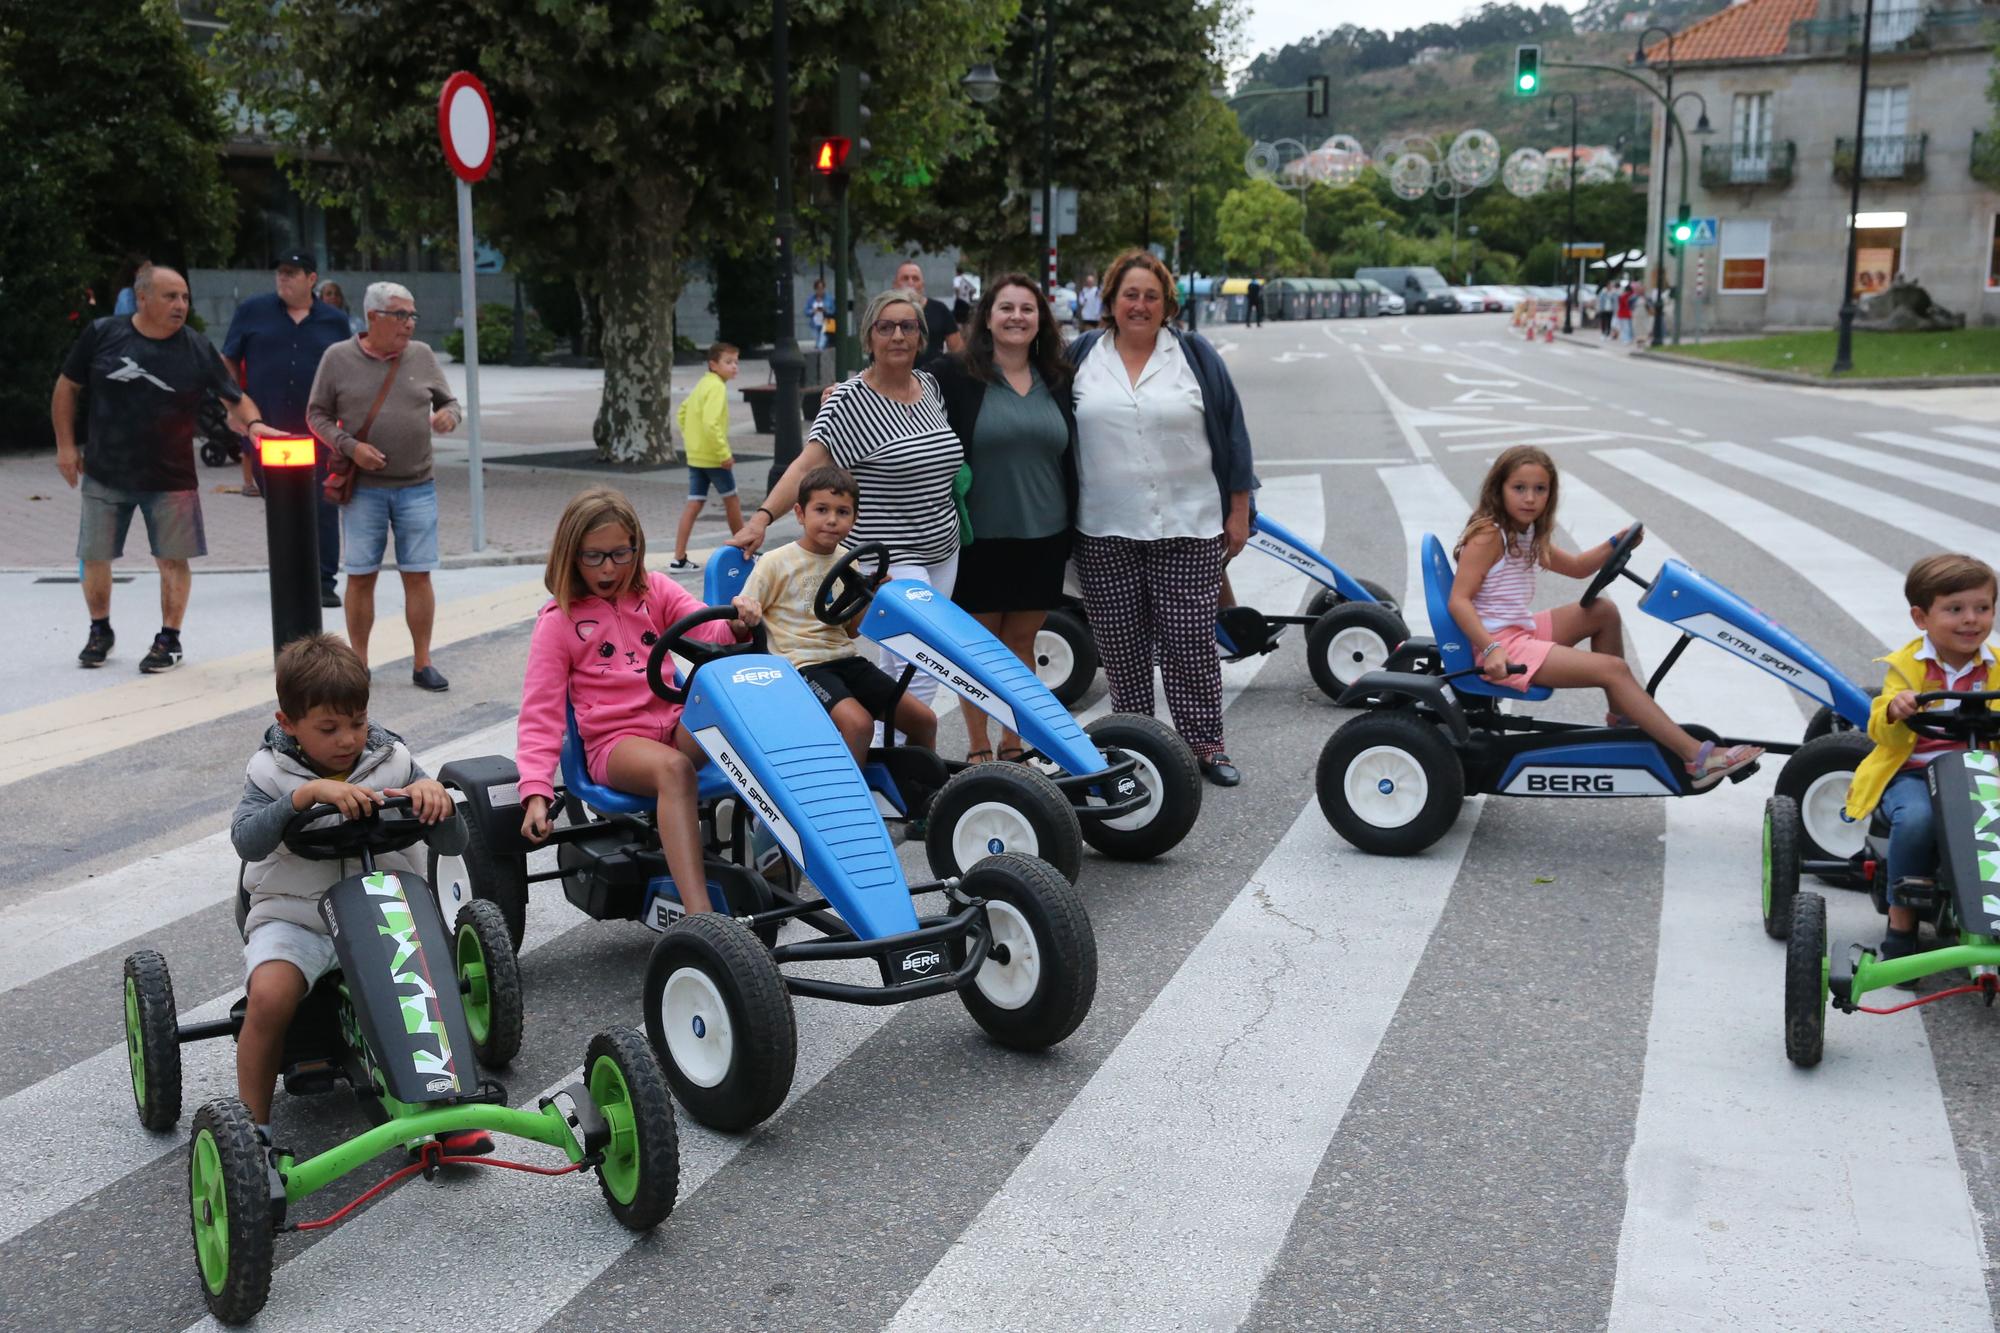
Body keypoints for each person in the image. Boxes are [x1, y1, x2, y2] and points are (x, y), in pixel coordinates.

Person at [230, 632, 459, 1146]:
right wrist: (304, 797)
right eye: (329, 728)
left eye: (356, 723)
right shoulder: (271, 773)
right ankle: (252, 1134)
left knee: (423, 987)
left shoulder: (391, 760)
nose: (348, 740)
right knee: (268, 997)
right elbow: (245, 840)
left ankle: (444, 1109)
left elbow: (455, 838)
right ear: (286, 723)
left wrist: (433, 796)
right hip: (296, 917)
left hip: (381, 911)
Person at [1448, 444, 1762, 786]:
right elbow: (1459, 601)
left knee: (1603, 611)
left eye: (1540, 489)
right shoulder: (1489, 536)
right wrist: (1492, 649)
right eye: (1519, 488)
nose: (1530, 498)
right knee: (1614, 670)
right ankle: (1697, 759)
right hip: (1500, 645)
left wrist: (1616, 542)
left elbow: (1580, 568)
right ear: (1499, 489)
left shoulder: (1524, 532)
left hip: (1519, 631)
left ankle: (1624, 716)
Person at [513, 487, 761, 916]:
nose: (609, 568)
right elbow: (540, 714)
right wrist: (535, 791)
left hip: (673, 726)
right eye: (594, 556)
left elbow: (712, 636)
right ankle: (700, 917)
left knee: (741, 714)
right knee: (675, 770)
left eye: (620, 554)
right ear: (571, 555)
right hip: (616, 745)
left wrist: (739, 622)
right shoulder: (559, 623)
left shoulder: (656, 592)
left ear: (636, 548)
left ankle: (783, 851)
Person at [1064, 250, 1253, 787]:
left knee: (1189, 642)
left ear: (1166, 303)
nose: (1140, 304)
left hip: (1189, 523)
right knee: (1122, 651)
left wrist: (1238, 510)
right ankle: (1136, 746)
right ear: (1111, 302)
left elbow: (1233, 432)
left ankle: (1204, 746)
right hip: (1102, 526)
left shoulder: (1193, 355)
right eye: (1130, 294)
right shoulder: (1082, 356)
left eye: (1151, 295)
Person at [729, 288, 964, 713]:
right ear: (868, 337)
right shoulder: (848, 401)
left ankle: (891, 754)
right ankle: (903, 756)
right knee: (925, 658)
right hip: (889, 558)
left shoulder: (928, 386)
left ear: (921, 336)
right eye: (885, 327)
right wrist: (761, 518)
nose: (897, 335)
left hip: (943, 550)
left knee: (913, 664)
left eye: (907, 326)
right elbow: (804, 467)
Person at [51, 264, 279, 673]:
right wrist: (66, 447)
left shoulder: (194, 346)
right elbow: (67, 386)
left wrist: (256, 425)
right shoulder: (104, 333)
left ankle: (169, 639)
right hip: (106, 471)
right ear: (142, 298)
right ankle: (100, 630)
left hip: (170, 477)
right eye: (170, 296)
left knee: (173, 560)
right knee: (95, 555)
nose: (181, 305)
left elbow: (235, 398)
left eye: (185, 298)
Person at [935, 273, 1075, 763]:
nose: (1017, 317)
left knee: (1021, 643)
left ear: (1041, 321)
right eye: (1006, 308)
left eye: (1027, 309)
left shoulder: (1058, 378)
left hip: (1045, 535)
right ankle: (978, 750)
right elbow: (899, 387)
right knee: (976, 647)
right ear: (988, 319)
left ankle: (1013, 745)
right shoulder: (956, 375)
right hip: (978, 536)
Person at [1843, 554, 2000, 984]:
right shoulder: (1908, 667)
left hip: (1982, 774)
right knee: (1917, 821)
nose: (1971, 620)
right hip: (1914, 773)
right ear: (1921, 617)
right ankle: (1902, 923)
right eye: (1955, 610)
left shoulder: (1996, 666)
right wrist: (1894, 709)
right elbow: (1881, 730)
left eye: (1982, 609)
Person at [306, 282, 460, 692]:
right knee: (361, 576)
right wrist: (350, 448)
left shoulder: (422, 355)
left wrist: (449, 415)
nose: (409, 323)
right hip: (364, 490)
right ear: (373, 316)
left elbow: (449, 402)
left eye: (412, 316)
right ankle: (358, 663)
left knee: (418, 574)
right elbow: (316, 415)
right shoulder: (337, 359)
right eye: (400, 315)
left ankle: (423, 661)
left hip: (417, 486)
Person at [744, 465, 937, 765]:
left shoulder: (848, 562)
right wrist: (745, 611)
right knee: (858, 725)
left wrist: (869, 597)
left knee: (923, 719)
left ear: (854, 518)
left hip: (846, 660)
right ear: (800, 513)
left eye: (842, 512)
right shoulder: (775, 562)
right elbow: (738, 618)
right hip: (802, 666)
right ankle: (847, 806)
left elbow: (851, 631)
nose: (832, 520)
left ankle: (918, 798)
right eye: (821, 509)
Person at [222, 250, 353, 605]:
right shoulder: (253, 311)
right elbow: (228, 358)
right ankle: (290, 573)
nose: (283, 278)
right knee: (280, 502)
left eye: (292, 273)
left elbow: (347, 367)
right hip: (267, 427)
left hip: (320, 428)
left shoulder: (335, 321)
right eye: (280, 272)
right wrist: (234, 404)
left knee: (322, 503)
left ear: (311, 280)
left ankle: (323, 579)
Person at [670, 341, 744, 570]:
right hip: (714, 458)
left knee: (694, 503)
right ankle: (744, 547)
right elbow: (711, 424)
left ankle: (678, 557)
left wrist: (692, 439)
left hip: (695, 456)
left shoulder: (703, 383)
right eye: (728, 362)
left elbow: (682, 413)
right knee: (731, 500)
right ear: (713, 364)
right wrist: (724, 453)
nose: (734, 367)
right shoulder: (717, 388)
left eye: (736, 362)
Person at [892, 260, 963, 373]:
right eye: (905, 278)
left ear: (923, 285)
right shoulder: (885, 312)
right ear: (895, 284)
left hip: (935, 380)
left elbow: (958, 351)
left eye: (915, 279)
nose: (910, 283)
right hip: (894, 377)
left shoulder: (940, 310)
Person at [806, 278, 830, 351]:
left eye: (822, 288)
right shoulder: (811, 299)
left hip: (825, 322)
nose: (820, 290)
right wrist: (813, 311)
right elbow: (806, 311)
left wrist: (826, 310)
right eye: (818, 288)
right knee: (817, 340)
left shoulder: (828, 299)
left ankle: (820, 350)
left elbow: (833, 310)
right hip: (815, 323)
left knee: (822, 341)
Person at [1613, 280, 1636, 344]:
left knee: (1624, 328)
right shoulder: (1632, 295)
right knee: (1628, 327)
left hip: (1623, 314)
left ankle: (1626, 339)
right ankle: (1629, 338)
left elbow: (1623, 304)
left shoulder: (1624, 296)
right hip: (1628, 314)